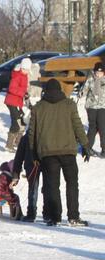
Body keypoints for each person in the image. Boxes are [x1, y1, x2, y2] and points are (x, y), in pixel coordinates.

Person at [28, 78, 91, 227]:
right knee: (72, 184)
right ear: (60, 90)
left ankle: (54, 217)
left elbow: (32, 133)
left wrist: (34, 153)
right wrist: (85, 144)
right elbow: (77, 125)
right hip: (68, 150)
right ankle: (73, 216)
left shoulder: (38, 108)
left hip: (48, 153)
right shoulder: (69, 105)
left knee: (52, 186)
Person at [11, 130, 40, 222]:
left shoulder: (27, 137)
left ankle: (34, 214)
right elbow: (18, 157)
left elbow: (18, 157)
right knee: (34, 189)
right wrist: (16, 175)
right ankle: (32, 213)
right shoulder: (26, 138)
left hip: (36, 164)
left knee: (35, 189)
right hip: (32, 165)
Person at [4, 58, 30, 152]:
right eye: (24, 69)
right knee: (15, 123)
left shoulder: (25, 76)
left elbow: (22, 88)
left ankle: (18, 142)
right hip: (11, 101)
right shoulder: (17, 76)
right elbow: (12, 88)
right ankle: (9, 144)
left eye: (27, 69)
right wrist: (23, 93)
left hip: (18, 101)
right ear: (21, 68)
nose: (26, 71)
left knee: (23, 121)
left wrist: (26, 94)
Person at [82, 62, 105, 154]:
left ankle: (104, 148)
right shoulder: (90, 80)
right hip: (91, 106)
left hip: (102, 106)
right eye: (97, 72)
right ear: (94, 72)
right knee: (92, 127)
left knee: (102, 127)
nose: (99, 74)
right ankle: (88, 148)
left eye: (101, 72)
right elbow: (84, 89)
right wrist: (81, 93)